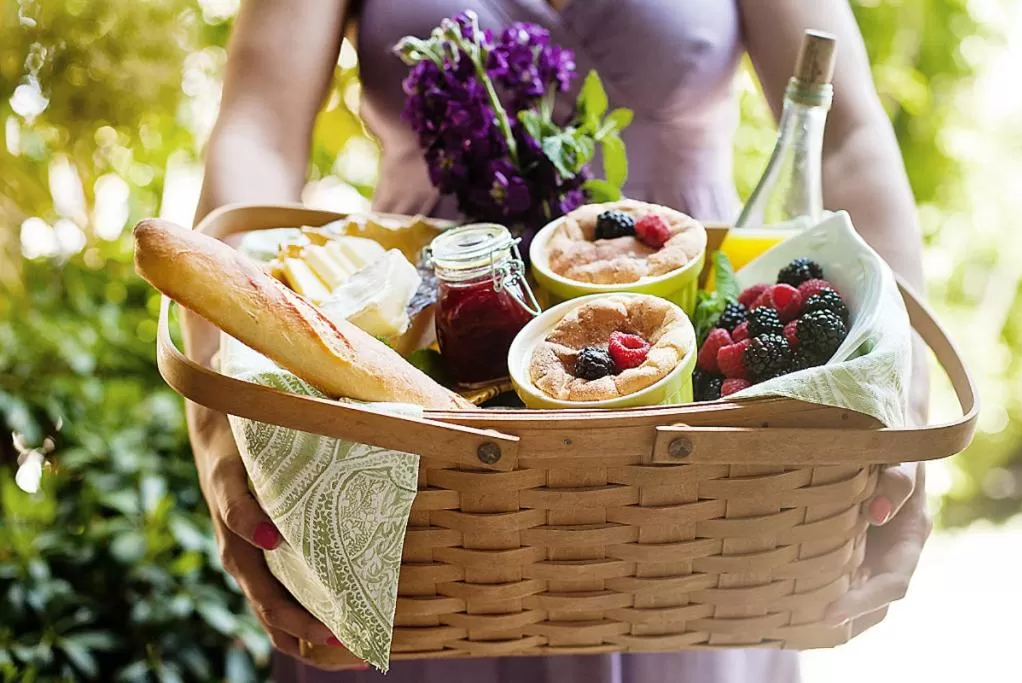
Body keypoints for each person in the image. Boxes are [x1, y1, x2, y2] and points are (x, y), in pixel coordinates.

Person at [187, 1, 933, 681]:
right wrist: (224, 425)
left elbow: (846, 139)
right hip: (420, 443)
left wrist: (901, 403)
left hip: (696, 495)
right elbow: (257, 133)